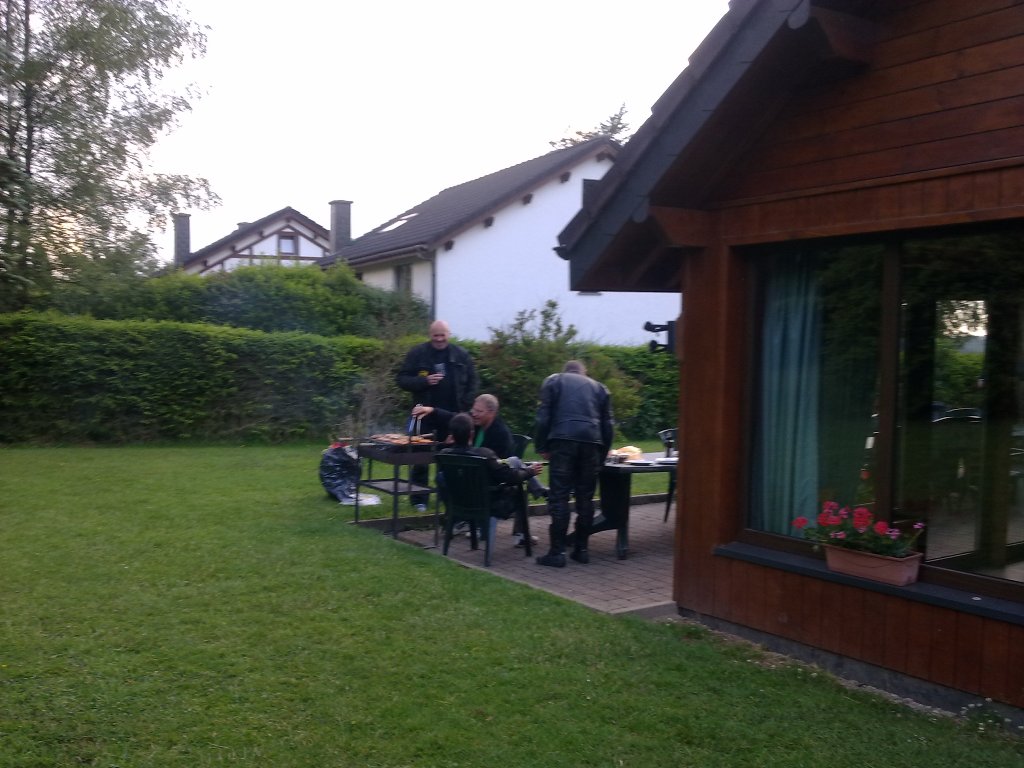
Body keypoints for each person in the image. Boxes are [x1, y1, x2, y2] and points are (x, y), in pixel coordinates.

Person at [532, 360, 614, 567]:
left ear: (566, 370)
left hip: (562, 441)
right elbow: (608, 425)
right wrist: (602, 455)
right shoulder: (600, 388)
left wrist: (541, 445)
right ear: (584, 373)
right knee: (585, 498)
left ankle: (557, 552)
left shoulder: (554, 381)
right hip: (592, 443)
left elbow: (542, 418)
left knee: (559, 496)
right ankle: (582, 549)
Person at [396, 320, 478, 510]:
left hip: (452, 416)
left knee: (450, 458)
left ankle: (446, 498)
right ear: (430, 335)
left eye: (443, 335)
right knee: (420, 459)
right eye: (436, 336)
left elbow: (473, 383)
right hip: (423, 416)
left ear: (449, 334)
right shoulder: (418, 353)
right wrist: (424, 381)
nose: (439, 339)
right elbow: (401, 379)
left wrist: (465, 409)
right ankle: (419, 499)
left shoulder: (461, 354)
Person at [438, 413, 544, 535]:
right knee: (520, 490)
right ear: (472, 434)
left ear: (451, 435)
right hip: (489, 504)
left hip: (458, 504)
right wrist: (530, 471)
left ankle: (540, 490)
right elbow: (509, 477)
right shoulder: (484, 454)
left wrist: (447, 445)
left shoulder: (444, 455)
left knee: (514, 461)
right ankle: (521, 535)